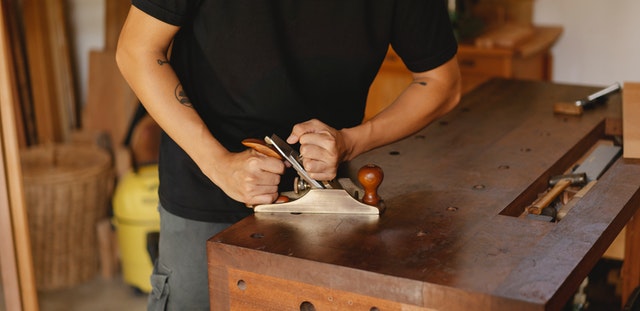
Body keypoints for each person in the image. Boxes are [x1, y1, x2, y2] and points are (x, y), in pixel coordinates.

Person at [116, 1, 461, 310]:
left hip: (325, 190)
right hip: (207, 186)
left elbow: (441, 81)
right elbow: (137, 50)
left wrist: (351, 141)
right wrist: (218, 164)